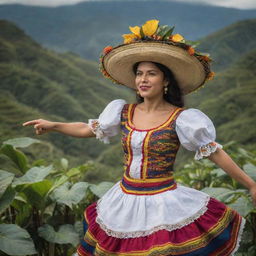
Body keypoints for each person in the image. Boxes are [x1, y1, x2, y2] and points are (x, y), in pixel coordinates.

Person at [23, 20, 256, 256]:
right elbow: (87, 129)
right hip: (124, 200)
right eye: (139, 74)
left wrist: (251, 184)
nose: (143, 79)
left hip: (163, 203)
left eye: (151, 74)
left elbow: (214, 152)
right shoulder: (122, 111)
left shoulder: (182, 119)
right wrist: (54, 125)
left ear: (165, 81)